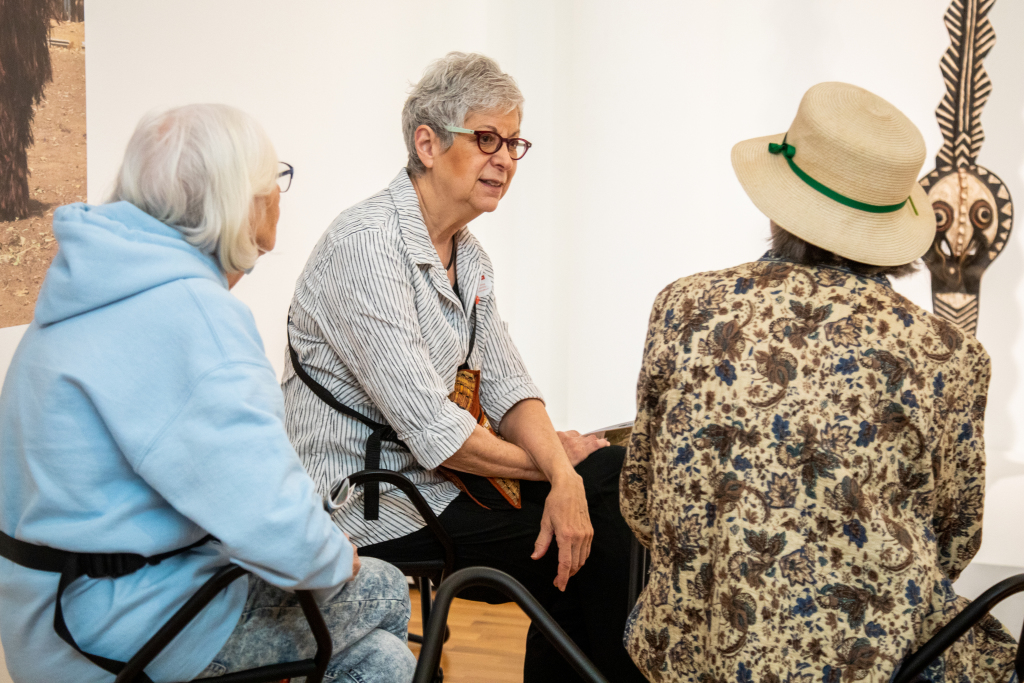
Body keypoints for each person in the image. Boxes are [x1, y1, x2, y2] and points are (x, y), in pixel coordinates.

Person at [0, 104, 415, 683]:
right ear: (238, 200)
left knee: (379, 662)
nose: (278, 196)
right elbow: (273, 519)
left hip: (43, 621)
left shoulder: (84, 289)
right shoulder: (193, 315)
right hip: (125, 631)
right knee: (385, 590)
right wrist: (330, 552)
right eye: (274, 180)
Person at [620, 82, 1018, 683]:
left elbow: (641, 501)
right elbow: (955, 543)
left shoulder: (684, 307)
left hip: (688, 656)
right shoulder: (950, 355)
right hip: (876, 669)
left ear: (779, 204)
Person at [284, 52, 644, 682]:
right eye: (485, 139)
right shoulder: (366, 244)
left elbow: (509, 387)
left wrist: (562, 473)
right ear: (427, 143)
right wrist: (559, 471)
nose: (503, 158)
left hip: (442, 488)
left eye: (513, 142)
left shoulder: (469, 255)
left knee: (611, 484)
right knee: (608, 502)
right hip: (373, 509)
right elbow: (437, 433)